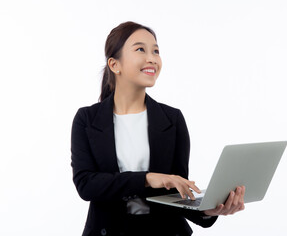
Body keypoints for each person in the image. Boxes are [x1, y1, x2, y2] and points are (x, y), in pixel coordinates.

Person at [71, 21, 245, 236]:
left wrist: (208, 210)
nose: (152, 58)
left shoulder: (172, 119)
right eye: (140, 49)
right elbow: (86, 185)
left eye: (156, 51)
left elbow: (176, 195)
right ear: (115, 65)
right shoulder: (87, 119)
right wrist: (147, 178)